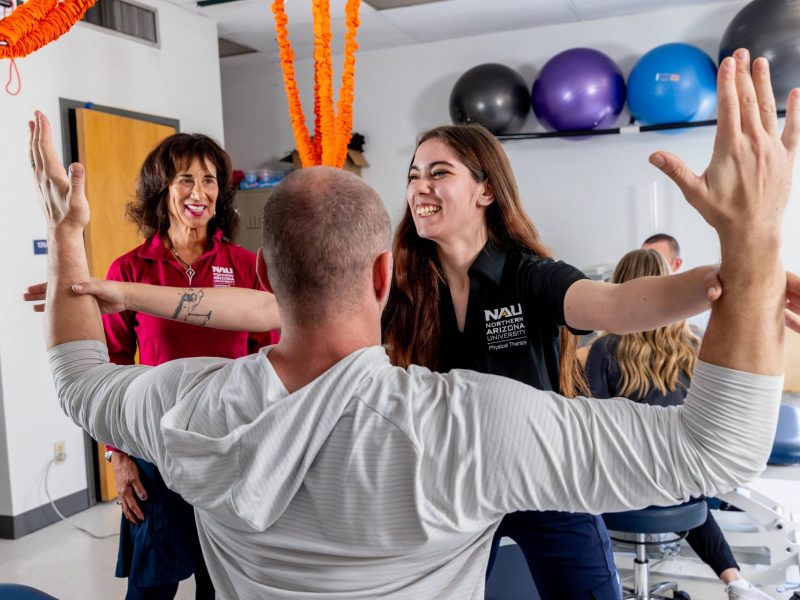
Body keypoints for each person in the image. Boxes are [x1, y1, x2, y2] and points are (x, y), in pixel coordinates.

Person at [30, 49, 798, 598]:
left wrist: (727, 281)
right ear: (378, 277)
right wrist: (127, 292)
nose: (420, 187)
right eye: (412, 174)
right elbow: (266, 307)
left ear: (486, 190)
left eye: (439, 172)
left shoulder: (527, 274)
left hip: (529, 464)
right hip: (458, 465)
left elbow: (619, 305)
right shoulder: (408, 285)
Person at [99, 133, 276, 600]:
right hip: (154, 451)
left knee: (220, 586)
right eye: (185, 179)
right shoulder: (129, 271)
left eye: (209, 180)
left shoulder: (245, 266)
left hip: (228, 450)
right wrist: (118, 456)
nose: (199, 192)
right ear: (162, 189)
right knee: (150, 589)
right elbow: (111, 367)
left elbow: (269, 359)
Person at [585, 249, 774, 600]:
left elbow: (592, 422)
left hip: (625, 480)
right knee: (687, 487)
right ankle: (735, 581)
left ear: (618, 286)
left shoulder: (605, 349)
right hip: (683, 480)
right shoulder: (693, 344)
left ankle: (603, 584)